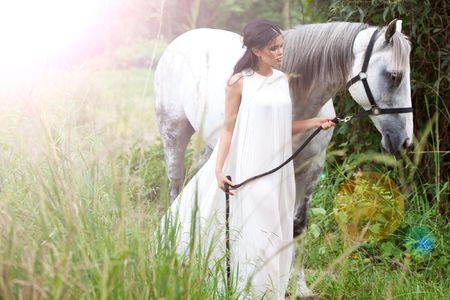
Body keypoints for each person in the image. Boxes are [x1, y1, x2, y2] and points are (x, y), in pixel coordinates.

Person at [162, 20, 335, 299]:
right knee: (254, 224)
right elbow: (229, 129)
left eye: (281, 47)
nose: (280, 53)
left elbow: (281, 125)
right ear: (255, 50)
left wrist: (315, 122)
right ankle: (246, 290)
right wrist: (218, 170)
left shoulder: (282, 80)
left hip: (277, 166)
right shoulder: (239, 82)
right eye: (272, 48)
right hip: (248, 162)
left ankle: (269, 288)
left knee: (275, 225)